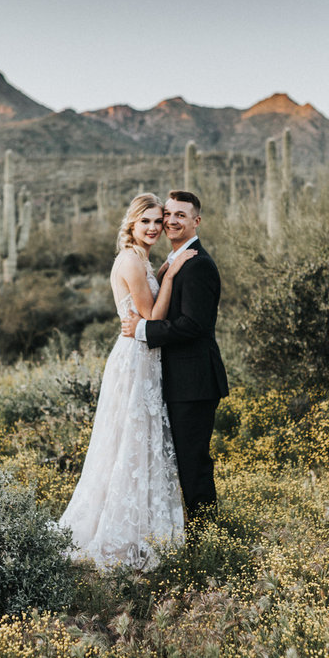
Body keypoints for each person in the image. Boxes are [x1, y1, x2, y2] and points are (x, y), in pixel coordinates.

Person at [58, 193, 197, 569]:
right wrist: (173, 271)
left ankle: (141, 529)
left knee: (137, 440)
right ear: (132, 226)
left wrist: (166, 267)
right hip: (136, 358)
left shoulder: (141, 260)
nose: (154, 228)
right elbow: (151, 314)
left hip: (143, 355)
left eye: (158, 221)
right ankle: (121, 534)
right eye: (146, 222)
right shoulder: (131, 261)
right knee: (130, 441)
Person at [121, 190, 228, 527]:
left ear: (196, 221)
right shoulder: (175, 260)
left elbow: (193, 325)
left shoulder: (197, 264)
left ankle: (205, 536)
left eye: (181, 215)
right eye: (168, 214)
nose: (170, 220)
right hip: (175, 381)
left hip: (194, 383)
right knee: (179, 461)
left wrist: (143, 330)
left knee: (193, 463)